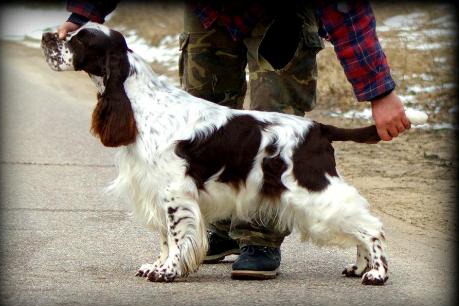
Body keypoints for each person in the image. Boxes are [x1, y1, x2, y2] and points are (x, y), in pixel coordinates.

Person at [57, 0, 411, 280]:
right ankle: (212, 232)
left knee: (279, 122)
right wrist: (84, 13)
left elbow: (346, 9)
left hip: (283, 12)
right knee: (201, 133)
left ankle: (260, 240)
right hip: (210, 12)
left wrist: (378, 90)